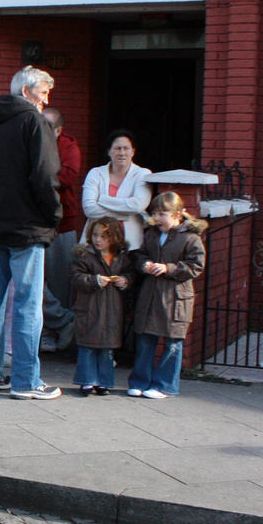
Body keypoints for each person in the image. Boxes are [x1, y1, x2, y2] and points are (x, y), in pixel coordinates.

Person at [0, 67, 63, 400]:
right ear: (27, 90)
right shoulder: (36, 123)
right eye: (43, 93)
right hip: (27, 229)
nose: (46, 99)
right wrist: (53, 215)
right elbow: (45, 176)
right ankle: (26, 382)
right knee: (27, 306)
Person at [127, 191, 208, 399]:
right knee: (145, 340)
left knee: (172, 342)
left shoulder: (191, 238)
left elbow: (196, 266)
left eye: (162, 213)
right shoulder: (151, 234)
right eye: (154, 213)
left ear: (178, 214)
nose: (157, 218)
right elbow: (140, 255)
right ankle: (139, 382)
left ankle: (164, 386)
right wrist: (144, 264)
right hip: (151, 295)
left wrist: (168, 268)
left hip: (176, 298)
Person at [69, 216, 131, 396]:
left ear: (114, 238)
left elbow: (131, 275)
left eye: (104, 237)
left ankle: (104, 382)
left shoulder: (122, 258)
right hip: (89, 309)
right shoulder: (85, 256)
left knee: (107, 349)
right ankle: (86, 381)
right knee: (87, 346)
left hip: (112, 311)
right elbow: (76, 277)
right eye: (95, 235)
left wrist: (125, 281)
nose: (98, 240)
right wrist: (94, 280)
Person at [40, 107, 82, 351]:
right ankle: (62, 322)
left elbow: (66, 177)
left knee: (58, 283)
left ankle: (56, 335)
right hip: (35, 223)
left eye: (46, 126)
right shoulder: (31, 142)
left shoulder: (69, 147)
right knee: (37, 283)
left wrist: (40, 173)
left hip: (62, 224)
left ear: (58, 130)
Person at [82, 129, 153, 250]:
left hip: (130, 243)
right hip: (97, 244)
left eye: (126, 148)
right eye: (117, 148)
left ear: (133, 151)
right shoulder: (95, 173)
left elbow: (137, 206)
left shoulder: (142, 174)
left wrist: (103, 199)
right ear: (108, 151)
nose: (122, 152)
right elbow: (89, 209)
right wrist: (125, 214)